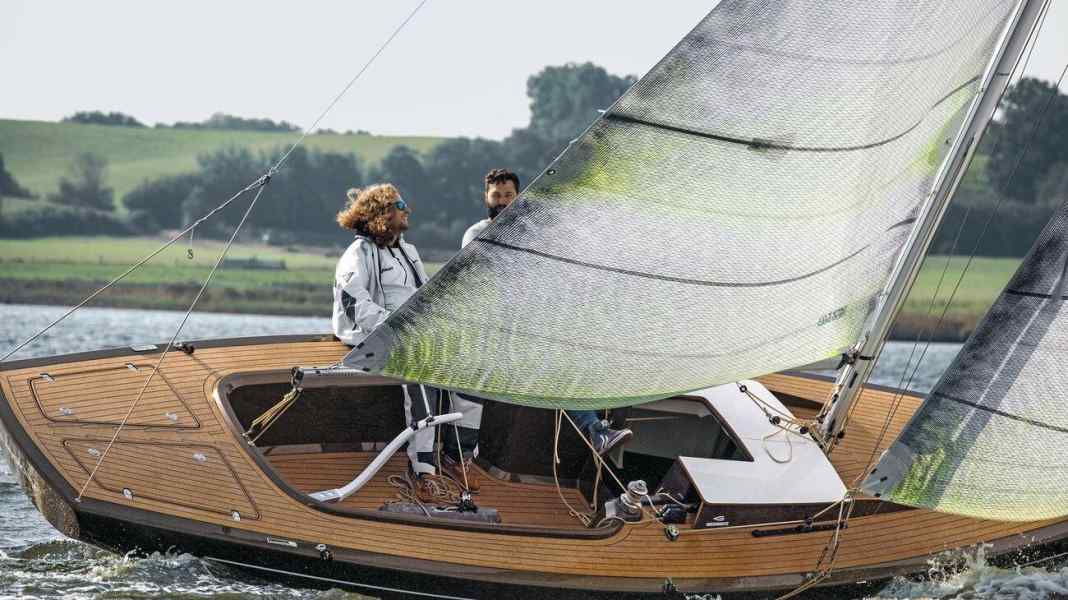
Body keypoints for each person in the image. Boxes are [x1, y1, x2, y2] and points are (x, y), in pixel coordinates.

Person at [444, 169, 632, 485]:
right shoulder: (475, 234)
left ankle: (596, 432)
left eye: (508, 196)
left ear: (518, 197)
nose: (502, 202)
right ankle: (593, 431)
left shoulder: (535, 232)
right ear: (486, 198)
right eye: (496, 196)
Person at [332, 184, 441, 501]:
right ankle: (424, 471)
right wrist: (395, 329)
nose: (409, 209)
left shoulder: (408, 250)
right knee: (420, 373)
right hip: (374, 339)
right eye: (400, 204)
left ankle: (461, 459)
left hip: (412, 336)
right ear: (381, 213)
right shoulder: (358, 254)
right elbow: (353, 302)